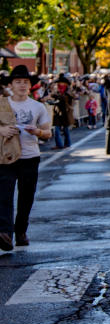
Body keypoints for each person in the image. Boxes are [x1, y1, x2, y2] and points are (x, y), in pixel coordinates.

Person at [0, 65, 52, 250]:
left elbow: (48, 132)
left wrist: (37, 131)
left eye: (25, 82)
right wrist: (2, 130)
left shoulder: (38, 106)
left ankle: (20, 230)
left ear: (30, 86)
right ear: (11, 85)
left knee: (26, 197)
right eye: (18, 82)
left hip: (30, 156)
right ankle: (5, 234)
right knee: (4, 195)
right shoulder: (2, 104)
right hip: (6, 156)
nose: (22, 85)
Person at [46, 73, 76, 149]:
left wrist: (56, 96)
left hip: (66, 112)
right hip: (57, 111)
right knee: (57, 129)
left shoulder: (69, 91)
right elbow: (53, 97)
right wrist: (51, 99)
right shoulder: (56, 90)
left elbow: (68, 98)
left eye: (62, 83)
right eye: (59, 83)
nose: (60, 84)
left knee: (66, 130)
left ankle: (67, 143)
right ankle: (59, 144)